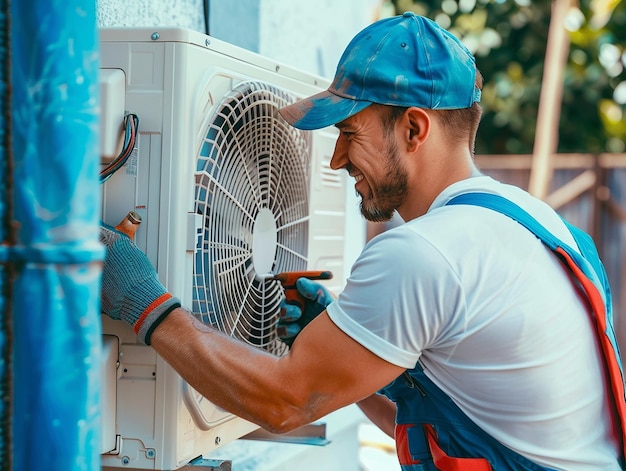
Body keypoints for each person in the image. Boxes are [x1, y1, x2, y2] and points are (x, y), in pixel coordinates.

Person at [100, 12, 625, 470]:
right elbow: (442, 424)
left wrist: (145, 302)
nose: (335, 160)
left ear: (414, 129)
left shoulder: (424, 252)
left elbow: (285, 404)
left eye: (350, 135)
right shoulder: (547, 228)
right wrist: (349, 349)